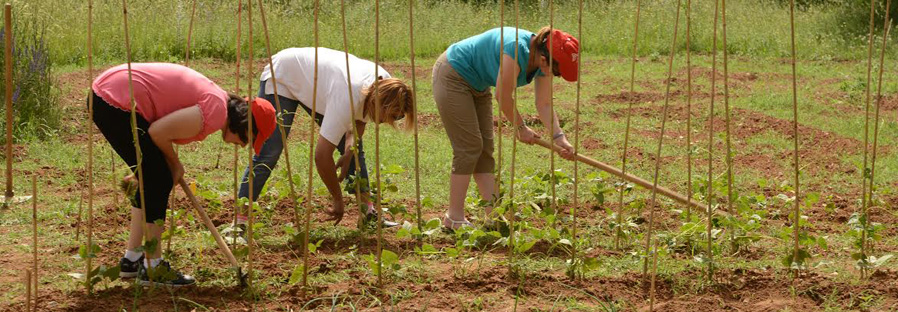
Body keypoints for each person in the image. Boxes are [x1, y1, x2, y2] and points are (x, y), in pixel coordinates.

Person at [90, 63, 276, 287]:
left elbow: (159, 131)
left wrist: (165, 167)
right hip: (115, 100)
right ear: (246, 125)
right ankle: (153, 267)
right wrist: (175, 165)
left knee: (152, 177)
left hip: (109, 96)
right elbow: (158, 132)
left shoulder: (218, 103)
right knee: (158, 178)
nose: (243, 145)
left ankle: (132, 260)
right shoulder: (217, 111)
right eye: (248, 139)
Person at [235, 47, 414, 228]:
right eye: (391, 115)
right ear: (379, 103)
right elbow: (321, 156)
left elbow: (361, 117)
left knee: (354, 150)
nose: (389, 121)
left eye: (397, 117)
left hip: (320, 84)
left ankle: (368, 213)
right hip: (284, 75)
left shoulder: (387, 86)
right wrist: (337, 198)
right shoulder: (348, 95)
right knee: (269, 152)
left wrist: (350, 148)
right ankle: (240, 221)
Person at [432, 26, 579, 230]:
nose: (557, 76)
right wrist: (521, 128)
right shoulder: (516, 49)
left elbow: (544, 103)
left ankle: (494, 216)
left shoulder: (542, 58)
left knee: (484, 150)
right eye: (557, 71)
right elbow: (503, 95)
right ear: (545, 59)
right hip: (453, 74)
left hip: (479, 84)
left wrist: (559, 137)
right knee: (469, 146)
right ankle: (453, 217)